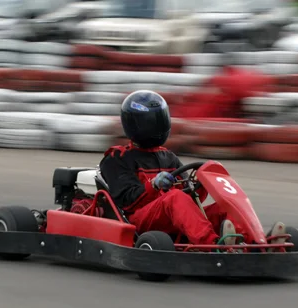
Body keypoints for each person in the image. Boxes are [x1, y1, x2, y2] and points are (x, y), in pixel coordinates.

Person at [99, 90, 286, 247]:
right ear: (135, 124)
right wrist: (154, 186)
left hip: (171, 215)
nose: (157, 126)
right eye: (152, 122)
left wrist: (200, 185)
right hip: (139, 219)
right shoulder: (117, 158)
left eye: (160, 120)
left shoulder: (168, 156)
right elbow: (127, 201)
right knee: (174, 197)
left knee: (224, 208)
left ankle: (256, 242)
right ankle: (213, 245)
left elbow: (190, 199)